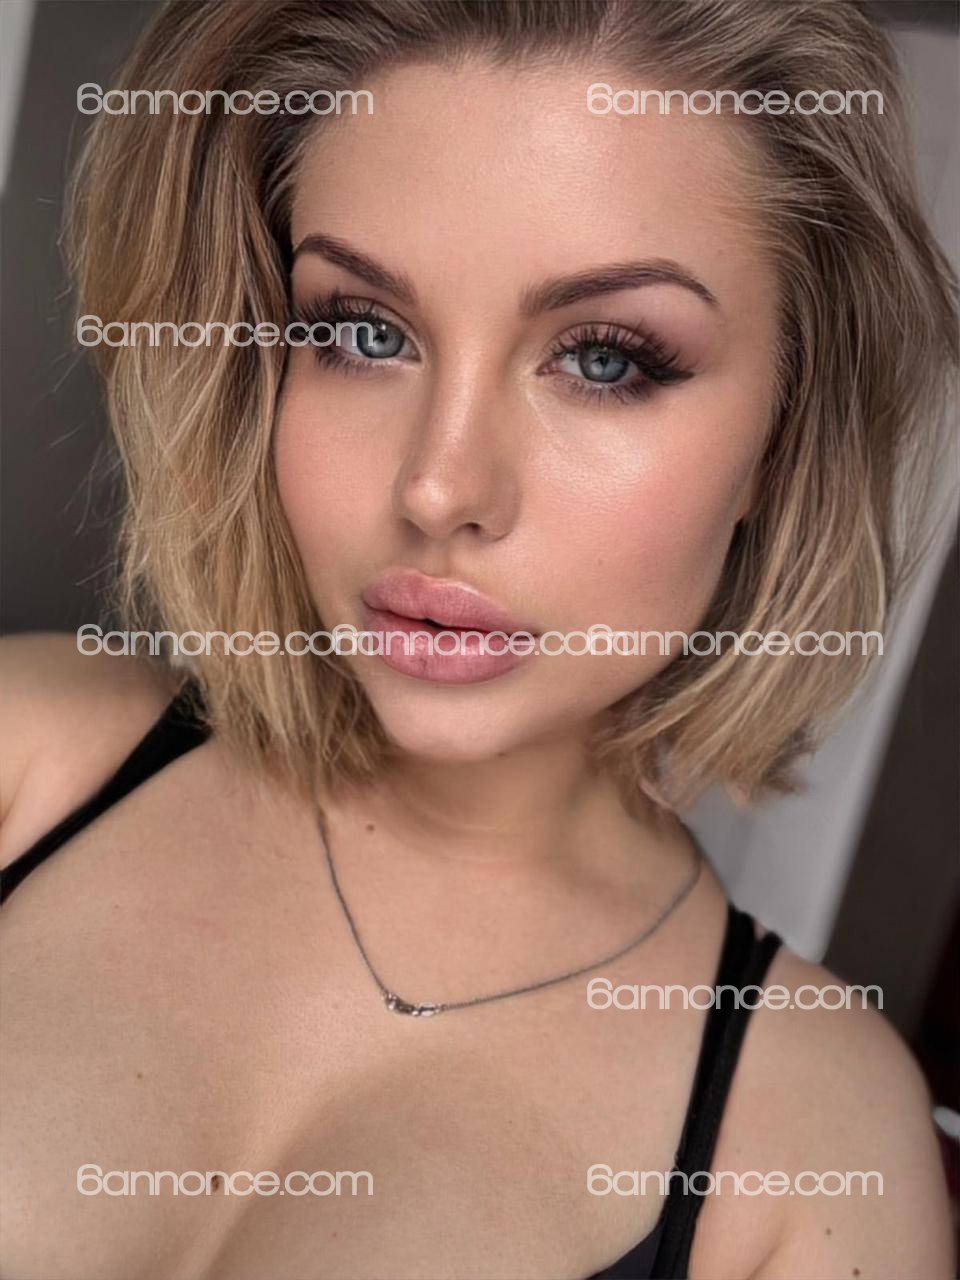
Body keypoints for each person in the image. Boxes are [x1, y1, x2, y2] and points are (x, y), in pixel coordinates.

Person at [1, 2, 956, 1277]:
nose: (440, 486)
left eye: (605, 359)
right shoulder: (26, 757)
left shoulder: (819, 1137)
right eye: (362, 331)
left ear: (782, 441)